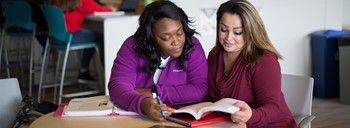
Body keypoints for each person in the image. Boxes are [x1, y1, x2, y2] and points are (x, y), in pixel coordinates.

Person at [108, 0, 209, 121]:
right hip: (137, 119)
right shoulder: (132, 46)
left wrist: (153, 93)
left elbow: (200, 90)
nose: (176, 42)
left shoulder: (192, 46)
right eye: (166, 37)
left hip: (180, 119)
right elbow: (118, 87)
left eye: (179, 33)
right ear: (150, 37)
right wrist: (143, 103)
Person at [207, 0, 297, 127]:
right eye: (223, 29)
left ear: (251, 31)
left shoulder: (264, 60)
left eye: (238, 32)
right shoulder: (214, 55)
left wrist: (250, 116)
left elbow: (273, 109)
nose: (228, 37)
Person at [49, 0, 114, 83]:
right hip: (68, 36)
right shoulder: (82, 1)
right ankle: (108, 76)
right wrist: (112, 9)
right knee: (99, 37)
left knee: (91, 35)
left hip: (55, 38)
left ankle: (84, 71)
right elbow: (102, 10)